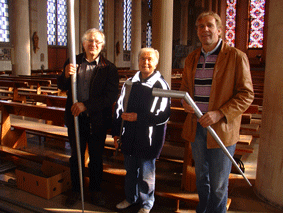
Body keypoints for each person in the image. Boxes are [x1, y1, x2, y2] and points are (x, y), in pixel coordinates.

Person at [179, 12, 254, 213]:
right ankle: (203, 209)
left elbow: (247, 95)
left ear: (219, 30)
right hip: (197, 127)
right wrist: (185, 102)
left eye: (210, 25)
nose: (205, 30)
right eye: (201, 26)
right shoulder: (192, 58)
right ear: (197, 31)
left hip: (221, 129)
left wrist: (220, 113)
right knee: (201, 177)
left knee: (219, 183)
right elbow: (185, 89)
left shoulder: (236, 57)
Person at [57, 28, 119, 207]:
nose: (94, 44)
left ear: (102, 46)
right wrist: (65, 75)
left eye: (97, 42)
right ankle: (76, 190)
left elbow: (110, 97)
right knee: (75, 157)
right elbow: (62, 86)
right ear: (83, 43)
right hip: (75, 118)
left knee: (96, 157)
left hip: (97, 120)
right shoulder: (73, 61)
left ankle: (96, 190)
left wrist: (87, 105)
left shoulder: (109, 68)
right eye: (90, 41)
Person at [112, 48, 171, 213]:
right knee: (130, 171)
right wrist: (116, 133)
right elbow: (119, 108)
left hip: (149, 138)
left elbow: (163, 114)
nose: (146, 62)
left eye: (150, 59)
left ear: (156, 62)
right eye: (142, 59)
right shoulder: (130, 82)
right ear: (138, 61)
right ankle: (131, 198)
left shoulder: (160, 84)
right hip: (129, 135)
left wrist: (139, 117)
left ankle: (146, 203)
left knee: (146, 174)